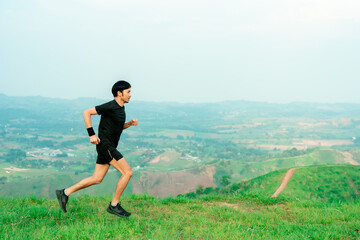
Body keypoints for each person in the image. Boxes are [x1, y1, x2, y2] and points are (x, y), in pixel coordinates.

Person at [56, 80, 137, 218]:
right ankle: (114, 205)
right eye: (128, 92)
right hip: (106, 146)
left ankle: (64, 193)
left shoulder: (120, 108)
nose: (130, 95)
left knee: (96, 178)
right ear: (119, 93)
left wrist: (128, 124)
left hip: (106, 147)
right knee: (127, 172)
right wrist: (91, 134)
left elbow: (117, 127)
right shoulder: (110, 106)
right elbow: (86, 112)